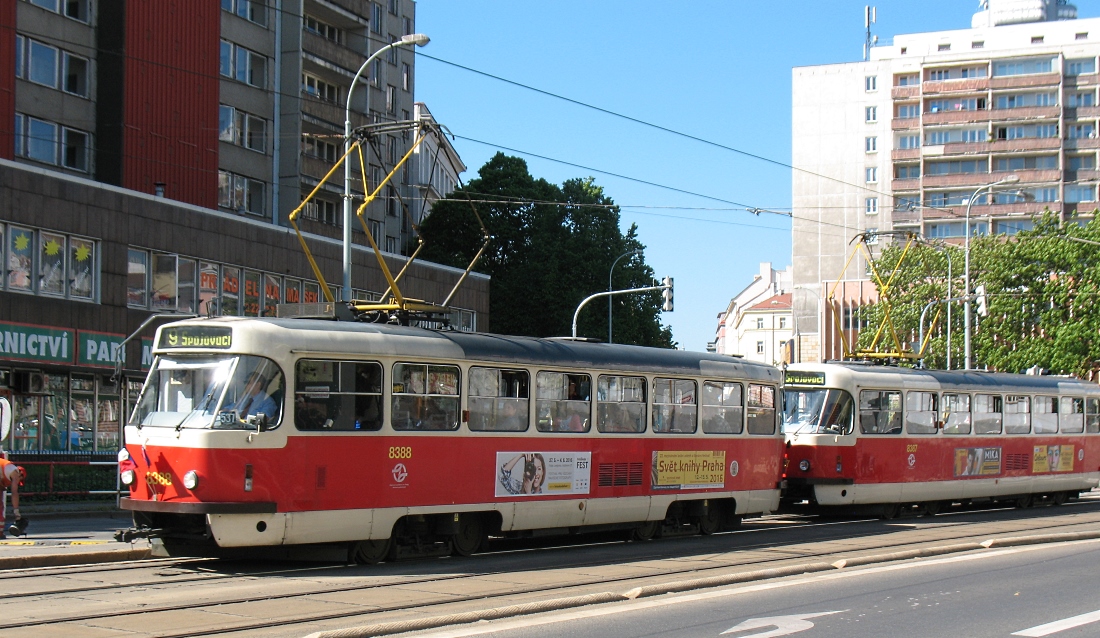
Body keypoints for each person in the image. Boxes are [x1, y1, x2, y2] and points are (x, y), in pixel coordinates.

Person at [0, 459, 28, 538]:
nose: (18, 482)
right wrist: (16, 512)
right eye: (20, 480)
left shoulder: (7, 468)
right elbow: (14, 493)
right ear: (21, 474)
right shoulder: (15, 473)